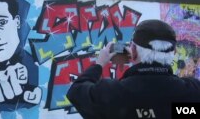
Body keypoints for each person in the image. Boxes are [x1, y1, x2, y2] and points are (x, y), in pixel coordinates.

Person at [67, 19, 200, 119]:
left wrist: (100, 63)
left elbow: (76, 92)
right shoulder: (193, 92)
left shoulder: (113, 94)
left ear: (134, 51)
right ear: (175, 51)